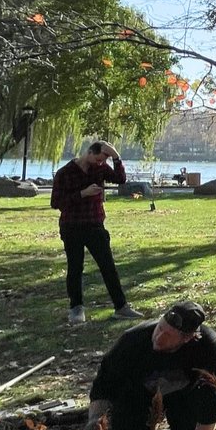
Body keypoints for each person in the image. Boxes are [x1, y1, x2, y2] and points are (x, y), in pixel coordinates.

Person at [84, 300, 216, 430]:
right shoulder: (132, 341)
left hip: (183, 397)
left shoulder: (206, 346)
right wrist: (95, 419)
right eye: (160, 329)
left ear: (187, 338)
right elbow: (104, 385)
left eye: (168, 336)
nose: (159, 338)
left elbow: (214, 395)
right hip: (139, 397)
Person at [51, 139, 142, 325]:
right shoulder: (65, 173)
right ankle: (76, 308)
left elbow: (120, 179)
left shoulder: (100, 169)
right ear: (90, 153)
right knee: (75, 267)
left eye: (104, 161)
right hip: (72, 226)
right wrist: (82, 194)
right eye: (100, 159)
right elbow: (56, 202)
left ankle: (121, 307)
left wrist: (116, 157)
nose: (101, 163)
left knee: (107, 266)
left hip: (95, 225)